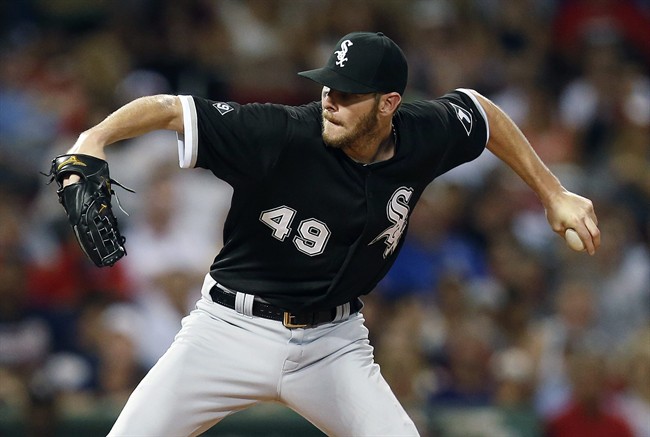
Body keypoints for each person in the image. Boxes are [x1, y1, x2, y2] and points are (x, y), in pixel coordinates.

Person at [61, 31, 600, 436]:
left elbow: (481, 113)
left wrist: (552, 191)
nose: (329, 100)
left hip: (332, 346)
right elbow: (169, 110)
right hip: (229, 330)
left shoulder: (422, 134)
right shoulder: (279, 134)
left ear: (389, 104)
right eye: (328, 87)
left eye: (347, 94)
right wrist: (94, 137)